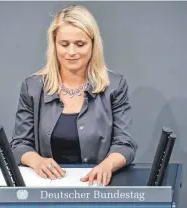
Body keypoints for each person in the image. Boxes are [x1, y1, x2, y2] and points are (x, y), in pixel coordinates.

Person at [10, 5, 137, 186]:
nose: (71, 52)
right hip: (48, 188)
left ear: (93, 45)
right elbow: (19, 144)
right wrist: (37, 162)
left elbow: (125, 144)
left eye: (80, 44)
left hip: (97, 187)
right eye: (64, 44)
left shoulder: (114, 86)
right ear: (54, 44)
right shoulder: (32, 87)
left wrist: (107, 166)